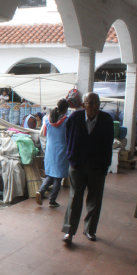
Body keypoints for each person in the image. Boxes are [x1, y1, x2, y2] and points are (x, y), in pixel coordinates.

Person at [62, 92, 114, 245]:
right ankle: (69, 232)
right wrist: (71, 156)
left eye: (96, 103)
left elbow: (108, 143)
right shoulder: (75, 118)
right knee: (74, 198)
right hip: (77, 165)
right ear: (84, 104)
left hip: (97, 167)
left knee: (95, 199)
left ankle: (90, 230)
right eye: (89, 103)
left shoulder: (106, 120)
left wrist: (105, 165)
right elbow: (68, 137)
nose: (93, 106)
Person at [36, 99, 69, 207]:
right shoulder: (66, 121)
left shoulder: (47, 119)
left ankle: (40, 192)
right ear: (65, 109)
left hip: (50, 150)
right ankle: (52, 200)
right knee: (58, 177)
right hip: (61, 150)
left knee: (50, 175)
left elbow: (43, 134)